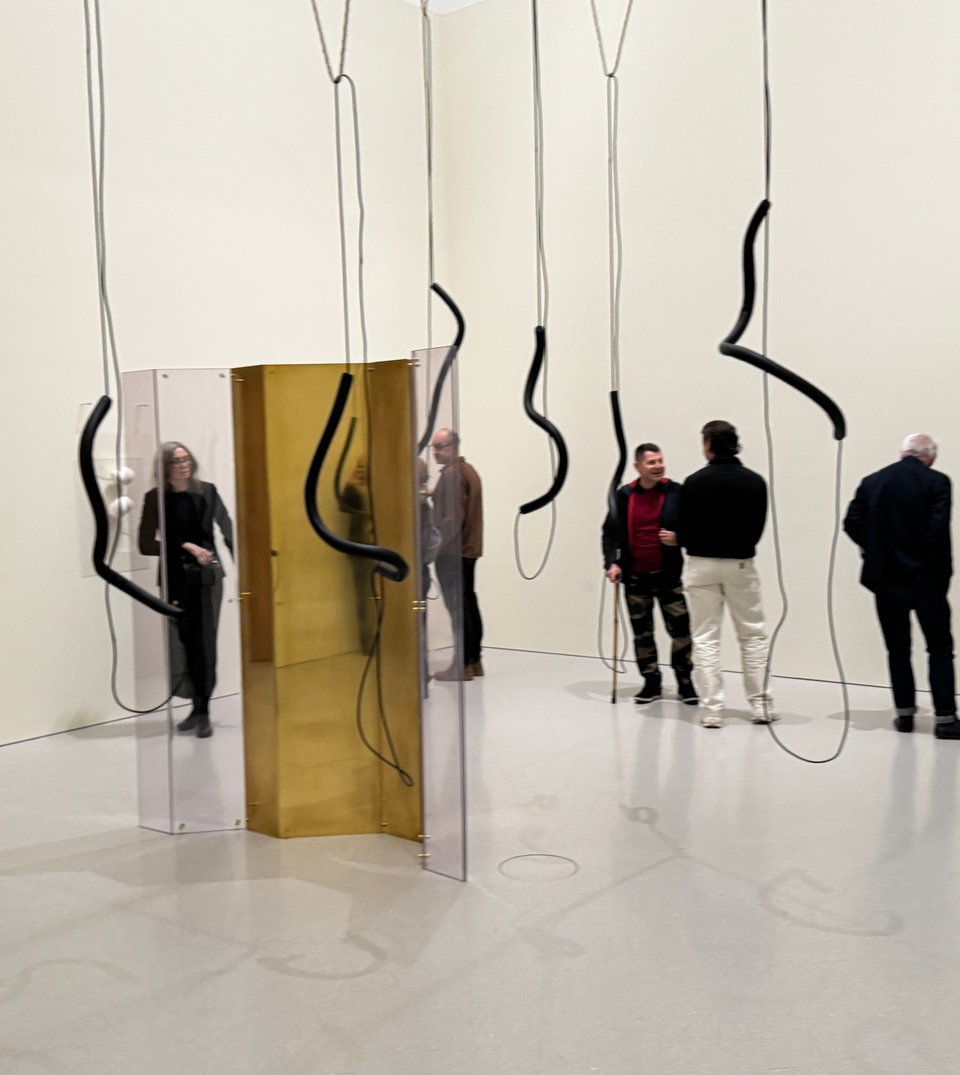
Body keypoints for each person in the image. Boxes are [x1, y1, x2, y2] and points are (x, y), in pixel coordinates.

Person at [843, 433, 960, 738]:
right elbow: (937, 530)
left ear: (903, 453)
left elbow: (852, 523)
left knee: (897, 649)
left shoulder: (872, 481)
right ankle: (946, 719)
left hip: (886, 580)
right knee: (940, 649)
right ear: (930, 456)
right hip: (927, 581)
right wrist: (922, 562)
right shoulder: (937, 482)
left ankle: (905, 715)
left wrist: (877, 550)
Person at [678, 420, 775, 728]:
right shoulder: (755, 482)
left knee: (705, 638)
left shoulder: (693, 482)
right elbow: (757, 529)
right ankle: (760, 705)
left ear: (707, 445)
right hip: (740, 564)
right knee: (752, 634)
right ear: (735, 444)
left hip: (700, 564)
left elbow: (684, 527)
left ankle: (712, 711)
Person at [138, 442, 234, 739]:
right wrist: (183, 545)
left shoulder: (207, 490)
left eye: (186, 459)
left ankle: (203, 709)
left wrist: (239, 562)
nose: (183, 465)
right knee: (185, 643)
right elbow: (144, 543)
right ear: (165, 467)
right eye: (176, 461)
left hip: (206, 578)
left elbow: (227, 527)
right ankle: (196, 706)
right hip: (175, 578)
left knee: (204, 642)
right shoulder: (155, 499)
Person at [601, 443, 697, 705]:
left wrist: (680, 538)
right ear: (638, 467)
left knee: (681, 632)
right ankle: (651, 682)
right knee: (643, 633)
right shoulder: (624, 495)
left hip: (668, 576)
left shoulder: (676, 492)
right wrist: (612, 563)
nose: (658, 466)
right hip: (635, 577)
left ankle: (685, 682)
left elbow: (695, 525)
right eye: (652, 462)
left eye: (660, 461)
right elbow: (610, 533)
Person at [430, 428, 483, 681]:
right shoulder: (467, 471)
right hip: (468, 549)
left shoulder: (452, 476)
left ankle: (460, 666)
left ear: (454, 446)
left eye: (440, 447)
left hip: (453, 551)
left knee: (458, 609)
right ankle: (473, 661)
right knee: (468, 604)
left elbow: (451, 520)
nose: (436, 452)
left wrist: (433, 548)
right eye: (435, 447)